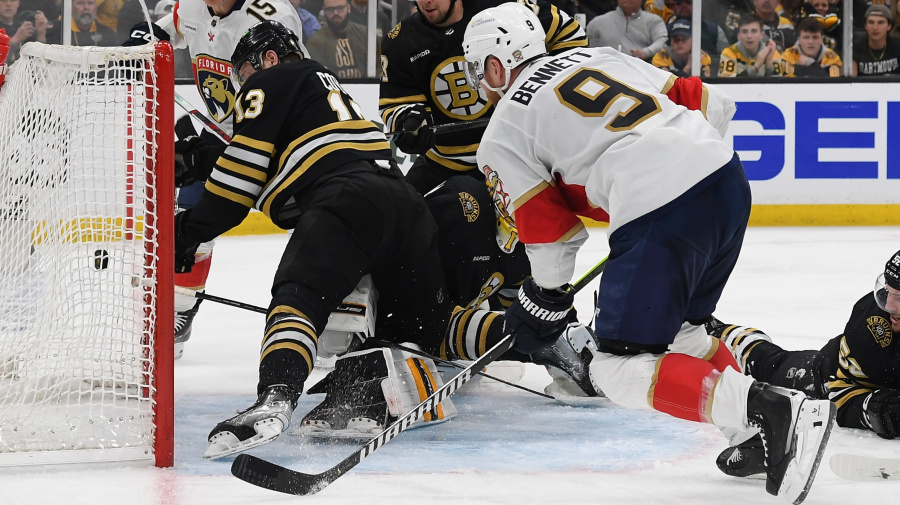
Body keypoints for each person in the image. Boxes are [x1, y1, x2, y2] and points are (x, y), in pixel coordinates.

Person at [462, 4, 835, 504]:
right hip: (725, 179)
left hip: (659, 209)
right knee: (685, 332)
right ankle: (750, 436)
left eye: (476, 68)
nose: (477, 82)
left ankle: (763, 408)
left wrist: (541, 299)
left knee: (615, 368)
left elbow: (551, 236)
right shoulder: (596, 56)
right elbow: (709, 102)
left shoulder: (503, 129)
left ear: (496, 66)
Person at [173, 20, 456, 458]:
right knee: (406, 331)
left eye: (244, 73)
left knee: (299, 295)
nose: (243, 86)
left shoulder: (272, 78)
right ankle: (384, 385)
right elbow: (281, 188)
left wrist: (187, 232)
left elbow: (237, 189)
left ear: (267, 59)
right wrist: (207, 158)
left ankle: (275, 396)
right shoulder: (327, 95)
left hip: (349, 200)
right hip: (407, 206)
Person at [122, 0, 306, 359]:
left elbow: (291, 82)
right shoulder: (191, 7)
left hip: (277, 133)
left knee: (313, 218)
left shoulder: (271, 15)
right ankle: (179, 309)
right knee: (192, 208)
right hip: (224, 128)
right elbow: (164, 29)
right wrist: (143, 39)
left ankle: (338, 312)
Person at [711, 249, 900, 478]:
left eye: (899, 297)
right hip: (824, 376)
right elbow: (840, 394)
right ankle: (714, 332)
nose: (889, 305)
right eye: (889, 292)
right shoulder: (872, 329)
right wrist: (877, 410)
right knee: (768, 365)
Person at [378, 0, 587, 195]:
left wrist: (552, 84)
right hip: (446, 163)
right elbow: (396, 103)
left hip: (518, 155)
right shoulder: (400, 41)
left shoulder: (504, 9)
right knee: (404, 215)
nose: (426, 2)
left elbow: (568, 32)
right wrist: (408, 120)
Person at [305, 0, 379, 79]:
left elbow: (379, 68)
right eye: (330, 9)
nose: (335, 13)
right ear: (324, 11)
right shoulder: (315, 42)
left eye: (340, 8)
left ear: (348, 8)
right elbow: (318, 77)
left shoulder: (365, 35)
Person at [586, 0, 668, 62]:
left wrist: (646, 52)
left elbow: (663, 41)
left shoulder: (654, 21)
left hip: (641, 72)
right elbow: (588, 52)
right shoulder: (597, 23)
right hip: (605, 72)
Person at [718, 15, 786, 77]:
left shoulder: (772, 53)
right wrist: (756, 66)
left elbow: (777, 87)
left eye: (754, 31)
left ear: (761, 35)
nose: (749, 36)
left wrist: (769, 65)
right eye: (744, 32)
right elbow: (728, 85)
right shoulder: (729, 52)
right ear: (739, 36)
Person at [852, 4, 900, 76]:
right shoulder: (855, 47)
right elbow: (849, 80)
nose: (875, 27)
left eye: (881, 22)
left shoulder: (897, 45)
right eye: (871, 22)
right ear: (865, 26)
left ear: (889, 26)